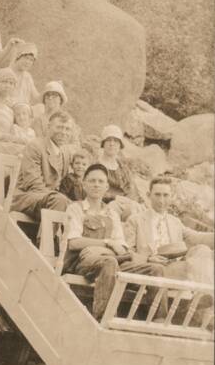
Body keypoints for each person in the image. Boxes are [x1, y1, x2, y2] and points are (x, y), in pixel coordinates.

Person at [64, 164, 167, 322]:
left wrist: (144, 258)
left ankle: (159, 322)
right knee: (110, 262)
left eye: (100, 181)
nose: (96, 184)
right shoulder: (76, 208)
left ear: (106, 187)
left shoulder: (112, 213)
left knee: (156, 269)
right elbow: (74, 243)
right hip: (83, 262)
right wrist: (107, 242)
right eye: (92, 181)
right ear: (84, 184)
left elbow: (121, 247)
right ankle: (104, 318)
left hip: (112, 260)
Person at [125, 176, 214, 286]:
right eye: (157, 195)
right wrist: (148, 259)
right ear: (149, 195)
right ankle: (202, 297)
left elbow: (197, 237)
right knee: (193, 270)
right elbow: (127, 252)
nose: (161, 200)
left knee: (202, 249)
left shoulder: (175, 222)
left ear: (171, 197)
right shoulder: (136, 220)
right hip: (151, 270)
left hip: (174, 266)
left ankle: (204, 297)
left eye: (166, 195)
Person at [11, 110, 74, 220]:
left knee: (77, 207)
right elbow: (33, 184)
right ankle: (46, 238)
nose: (63, 132)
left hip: (49, 199)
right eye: (59, 127)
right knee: (60, 201)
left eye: (67, 129)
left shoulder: (66, 152)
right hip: (26, 197)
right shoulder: (35, 146)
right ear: (48, 127)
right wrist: (61, 199)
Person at [99, 124, 140, 219]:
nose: (112, 144)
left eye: (116, 141)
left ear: (120, 145)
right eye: (109, 140)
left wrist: (130, 201)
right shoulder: (97, 166)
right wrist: (115, 198)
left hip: (125, 204)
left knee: (137, 211)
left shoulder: (123, 167)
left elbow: (131, 189)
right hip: (104, 205)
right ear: (103, 143)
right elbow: (95, 190)